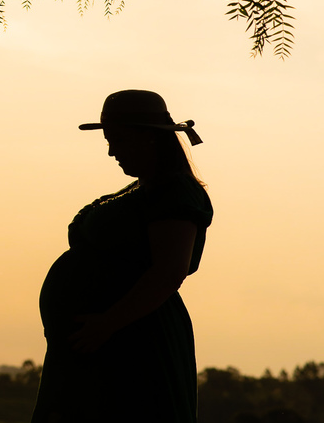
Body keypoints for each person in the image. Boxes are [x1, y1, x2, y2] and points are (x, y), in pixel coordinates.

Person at [31, 89, 214, 423]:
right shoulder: (138, 190)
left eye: (119, 139)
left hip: (132, 341)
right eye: (108, 140)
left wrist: (108, 322)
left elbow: (170, 271)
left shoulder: (173, 190)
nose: (112, 151)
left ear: (150, 139)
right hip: (99, 341)